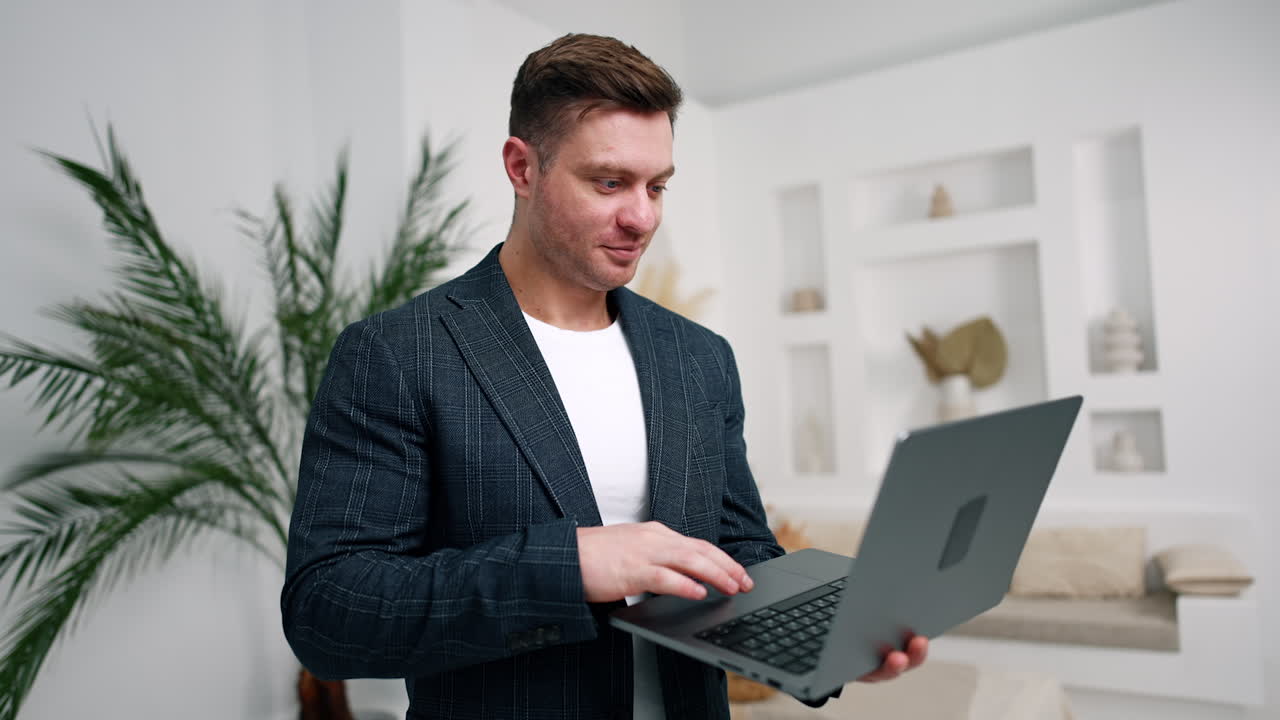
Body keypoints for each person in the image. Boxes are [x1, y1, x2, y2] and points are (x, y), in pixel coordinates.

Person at [281, 33, 927, 719]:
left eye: (657, 186)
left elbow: (737, 552)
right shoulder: (399, 353)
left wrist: (832, 634)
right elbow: (330, 612)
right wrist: (572, 568)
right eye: (609, 182)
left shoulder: (699, 357)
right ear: (522, 167)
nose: (641, 216)